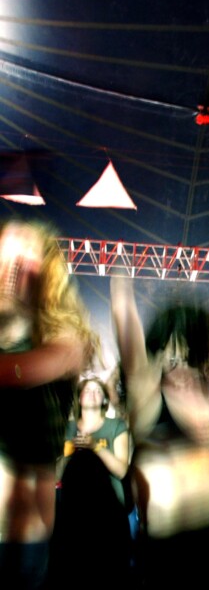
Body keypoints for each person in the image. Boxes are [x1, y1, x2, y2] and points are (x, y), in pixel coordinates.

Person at [110, 276, 209, 589]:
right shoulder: (147, 391)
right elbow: (124, 315)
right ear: (157, 351)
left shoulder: (206, 391)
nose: (181, 366)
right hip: (175, 552)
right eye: (173, 355)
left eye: (189, 354)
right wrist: (121, 278)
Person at [0, 219, 97, 589]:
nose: (12, 265)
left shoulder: (64, 337)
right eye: (5, 252)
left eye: (25, 255)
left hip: (19, 542)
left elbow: (22, 371)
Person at [49, 376, 132, 587]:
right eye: (87, 390)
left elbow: (121, 471)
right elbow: (55, 475)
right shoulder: (67, 428)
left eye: (98, 391)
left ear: (105, 400)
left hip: (108, 512)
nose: (92, 394)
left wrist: (95, 446)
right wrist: (69, 454)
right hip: (73, 514)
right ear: (79, 398)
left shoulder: (116, 426)